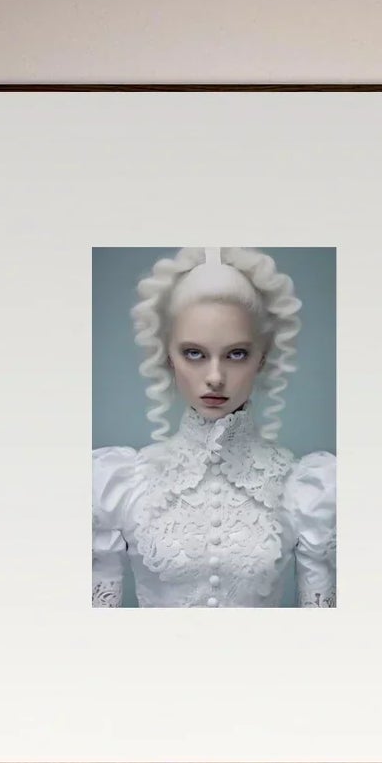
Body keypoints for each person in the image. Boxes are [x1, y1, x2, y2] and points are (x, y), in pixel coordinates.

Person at [93, 247, 336, 608]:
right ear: (168, 358)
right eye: (194, 353)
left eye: (236, 354)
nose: (215, 377)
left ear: (262, 359)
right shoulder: (122, 484)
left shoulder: (305, 489)